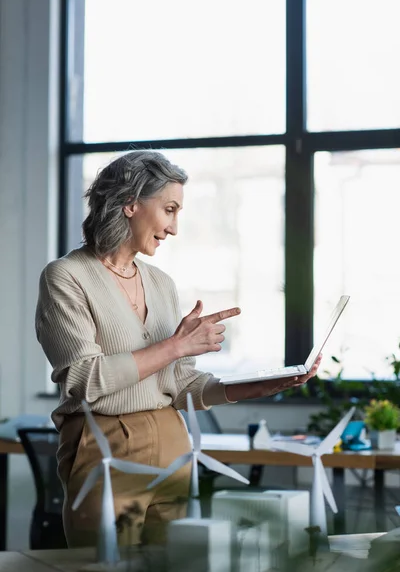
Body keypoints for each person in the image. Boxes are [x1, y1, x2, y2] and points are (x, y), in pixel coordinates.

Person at [35, 150, 321, 548]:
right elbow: (85, 379)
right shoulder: (66, 276)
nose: (173, 228)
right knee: (100, 564)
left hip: (174, 443)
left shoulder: (161, 283)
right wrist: (175, 345)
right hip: (107, 444)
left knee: (179, 563)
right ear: (130, 203)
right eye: (169, 209)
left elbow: (181, 383)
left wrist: (261, 386)